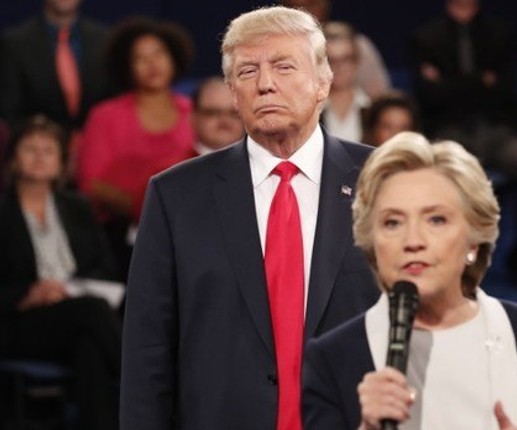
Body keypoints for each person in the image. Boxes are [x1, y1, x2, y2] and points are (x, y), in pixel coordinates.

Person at [120, 6, 379, 430]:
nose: (264, 84)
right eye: (246, 72)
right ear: (232, 92)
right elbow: (147, 354)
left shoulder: (386, 182)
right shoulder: (174, 196)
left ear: (323, 82)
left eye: (283, 66)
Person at [302, 132, 517, 429]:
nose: (413, 240)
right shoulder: (332, 360)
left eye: (436, 219)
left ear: (474, 241)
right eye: (392, 222)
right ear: (371, 243)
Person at [410, 0, 517, 284]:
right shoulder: (425, 38)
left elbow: (504, 91)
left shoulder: (502, 33)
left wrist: (451, 84)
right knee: (444, 182)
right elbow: (429, 97)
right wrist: (480, 82)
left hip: (498, 130)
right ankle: (451, 263)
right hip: (450, 132)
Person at [0, 115, 122, 430]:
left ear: (61, 164)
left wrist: (69, 289)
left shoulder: (77, 208)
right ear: (13, 160)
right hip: (20, 322)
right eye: (30, 149)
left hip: (76, 313)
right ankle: (154, 385)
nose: (40, 157)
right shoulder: (3, 213)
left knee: (89, 349)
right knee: (92, 314)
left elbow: (105, 269)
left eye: (49, 150)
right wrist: (29, 294)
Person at [76, 16, 195, 278]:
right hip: (123, 236)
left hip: (193, 229)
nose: (152, 64)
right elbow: (91, 186)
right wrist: (147, 211)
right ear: (126, 67)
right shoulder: (105, 116)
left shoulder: (194, 113)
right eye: (140, 58)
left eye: (159, 53)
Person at [0, 0, 110, 132]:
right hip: (39, 146)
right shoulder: (15, 44)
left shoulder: (105, 40)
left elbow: (114, 103)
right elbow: (9, 111)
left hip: (97, 142)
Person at [279, 0, 391, 98]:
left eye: (310, 4)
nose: (303, 13)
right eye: (294, 7)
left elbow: (380, 101)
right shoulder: (276, 52)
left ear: (324, 6)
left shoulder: (358, 46)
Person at [321, 21, 370, 142]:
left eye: (345, 59)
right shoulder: (309, 112)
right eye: (331, 60)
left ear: (356, 62)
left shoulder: (370, 109)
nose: (339, 67)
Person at [189, 76, 245, 156]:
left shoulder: (265, 166)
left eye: (234, 113)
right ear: (194, 118)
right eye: (213, 113)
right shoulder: (173, 166)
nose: (224, 120)